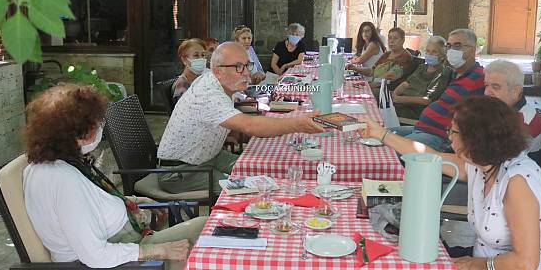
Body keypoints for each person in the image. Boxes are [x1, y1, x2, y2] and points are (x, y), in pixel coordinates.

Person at [360, 96, 541, 270]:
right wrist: (381, 134)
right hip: (482, 260)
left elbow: (525, 263)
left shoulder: (517, 182)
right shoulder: (482, 163)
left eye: (453, 132)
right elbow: (428, 154)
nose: (449, 138)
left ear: (476, 138)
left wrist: (478, 264)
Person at [22, 85, 206, 269]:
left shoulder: (56, 164)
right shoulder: (63, 180)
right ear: (76, 133)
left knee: (206, 228)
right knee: (208, 233)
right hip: (121, 259)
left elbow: (87, 204)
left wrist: (131, 200)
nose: (101, 127)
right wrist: (159, 250)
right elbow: (96, 256)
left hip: (125, 243)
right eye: (96, 123)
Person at [157, 42, 324, 194]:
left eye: (246, 65)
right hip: (180, 172)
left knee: (264, 170)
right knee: (253, 189)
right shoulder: (208, 93)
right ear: (218, 71)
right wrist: (297, 124)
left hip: (209, 156)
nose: (246, 72)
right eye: (238, 67)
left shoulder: (218, 80)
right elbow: (250, 126)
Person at [390, 28, 485, 152]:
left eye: (457, 46)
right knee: (382, 137)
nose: (452, 50)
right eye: (449, 46)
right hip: (423, 128)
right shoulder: (456, 74)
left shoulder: (478, 78)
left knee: (390, 151)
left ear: (472, 50)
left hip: (440, 137)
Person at [485, 60, 541, 154]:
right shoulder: (502, 108)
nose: (486, 92)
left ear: (515, 91)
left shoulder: (523, 121)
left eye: (495, 87)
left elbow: (496, 161)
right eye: (486, 85)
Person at [391, 35, 452, 120]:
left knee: (384, 112)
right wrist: (394, 94)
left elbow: (427, 100)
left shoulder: (443, 73)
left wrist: (400, 99)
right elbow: (406, 84)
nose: (430, 54)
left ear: (442, 55)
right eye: (428, 51)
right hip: (401, 103)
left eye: (434, 52)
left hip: (416, 111)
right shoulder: (422, 67)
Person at [172, 38, 207, 103]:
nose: (201, 59)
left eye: (203, 55)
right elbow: (184, 111)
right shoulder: (182, 84)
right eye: (196, 55)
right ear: (184, 60)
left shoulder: (202, 80)